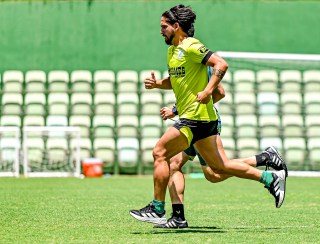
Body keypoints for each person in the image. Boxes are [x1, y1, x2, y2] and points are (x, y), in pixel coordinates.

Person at [129, 4, 287, 227]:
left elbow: (221, 64)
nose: (160, 30)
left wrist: (207, 90)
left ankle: (157, 208)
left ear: (176, 26)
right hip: (198, 119)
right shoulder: (172, 51)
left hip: (195, 118)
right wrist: (158, 84)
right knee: (218, 169)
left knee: (160, 152)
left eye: (164, 26)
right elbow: (176, 81)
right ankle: (269, 177)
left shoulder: (192, 46)